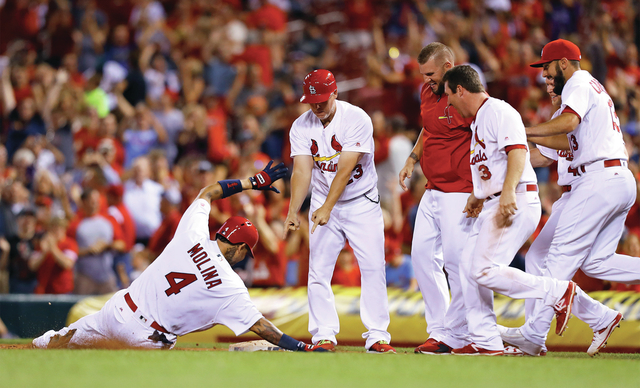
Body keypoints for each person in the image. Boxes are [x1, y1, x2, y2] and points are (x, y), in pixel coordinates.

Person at [32, 161, 325, 352]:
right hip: (145, 339)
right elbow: (262, 327)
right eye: (246, 251)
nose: (244, 257)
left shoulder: (192, 233)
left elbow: (208, 193)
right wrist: (302, 347)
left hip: (116, 310)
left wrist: (252, 181)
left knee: (57, 342)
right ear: (239, 248)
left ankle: (48, 341)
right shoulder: (230, 285)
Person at [501, 39, 636, 357]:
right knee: (568, 259)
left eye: (547, 69)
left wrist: (524, 130)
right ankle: (598, 318)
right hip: (609, 180)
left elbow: (569, 123)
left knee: (559, 259)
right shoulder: (574, 101)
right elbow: (544, 157)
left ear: (563, 63)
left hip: (597, 181)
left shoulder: (578, 81)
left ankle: (533, 334)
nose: (544, 76)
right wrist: (501, 152)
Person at [441, 65, 578, 356]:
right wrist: (478, 196)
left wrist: (505, 193)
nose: (448, 102)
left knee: (481, 269)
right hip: (498, 198)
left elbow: (518, 151)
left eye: (449, 95)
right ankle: (486, 341)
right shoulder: (480, 120)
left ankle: (557, 292)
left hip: (515, 198)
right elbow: (493, 165)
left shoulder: (498, 112)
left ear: (461, 90)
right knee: (468, 265)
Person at [283, 69, 395, 354]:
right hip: (322, 200)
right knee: (318, 271)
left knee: (372, 268)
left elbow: (345, 170)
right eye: (312, 100)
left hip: (360, 202)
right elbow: (302, 170)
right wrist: (293, 210)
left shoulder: (357, 118)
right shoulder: (301, 126)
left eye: (322, 99)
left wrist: (326, 208)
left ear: (335, 93)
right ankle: (323, 334)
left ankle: (377, 335)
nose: (317, 105)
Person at [398, 42, 473, 354]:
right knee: (422, 257)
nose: (426, 79)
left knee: (456, 263)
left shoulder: (466, 94)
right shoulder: (427, 92)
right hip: (433, 189)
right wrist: (412, 159)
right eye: (422, 74)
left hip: (461, 189)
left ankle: (464, 334)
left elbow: (486, 132)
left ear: (447, 66)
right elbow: (428, 130)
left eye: (430, 73)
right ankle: (440, 332)